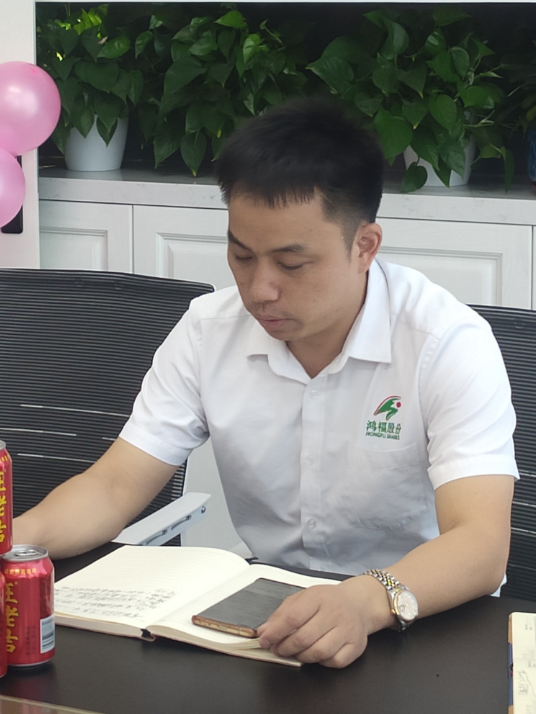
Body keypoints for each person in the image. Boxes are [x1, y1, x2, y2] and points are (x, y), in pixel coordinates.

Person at [14, 98, 517, 669]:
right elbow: (113, 488)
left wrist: (363, 601)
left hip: (420, 618)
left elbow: (481, 544)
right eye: (242, 256)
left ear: (364, 246)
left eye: (291, 264)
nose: (259, 290)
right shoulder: (209, 331)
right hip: (269, 617)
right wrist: (16, 538)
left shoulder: (444, 343)